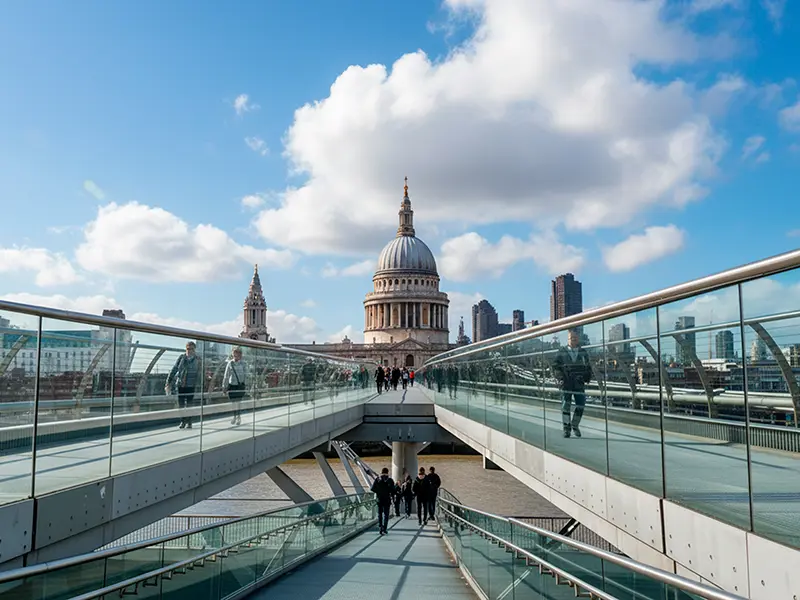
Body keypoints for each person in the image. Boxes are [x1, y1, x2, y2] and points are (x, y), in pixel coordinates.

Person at [552, 329, 593, 438]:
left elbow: (588, 366)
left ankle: (575, 424)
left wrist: (587, 377)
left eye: (575, 338)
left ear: (578, 339)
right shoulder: (561, 351)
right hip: (566, 383)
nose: (573, 340)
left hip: (579, 383)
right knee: (566, 405)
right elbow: (555, 366)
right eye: (571, 338)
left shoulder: (583, 352)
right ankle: (566, 428)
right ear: (568, 339)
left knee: (581, 404)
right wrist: (560, 378)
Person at [166, 341, 202, 429]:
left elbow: (200, 373)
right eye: (188, 349)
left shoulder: (198, 360)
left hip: (191, 385)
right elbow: (174, 369)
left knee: (189, 404)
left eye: (191, 349)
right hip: (181, 384)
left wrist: (200, 384)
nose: (189, 351)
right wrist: (168, 382)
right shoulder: (181, 358)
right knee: (181, 404)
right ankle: (182, 421)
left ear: (194, 350)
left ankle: (189, 421)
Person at [223, 347, 247, 425]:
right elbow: (226, 376)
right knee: (233, 403)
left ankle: (238, 417)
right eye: (234, 354)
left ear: (240, 355)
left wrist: (246, 384)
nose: (236, 356)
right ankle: (234, 416)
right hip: (232, 386)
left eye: (237, 354)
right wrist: (224, 386)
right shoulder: (230, 363)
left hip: (240, 386)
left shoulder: (243, 363)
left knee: (238, 402)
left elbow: (246, 375)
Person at [371, 467, 395, 535]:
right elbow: (393, 490)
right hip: (387, 499)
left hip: (379, 499)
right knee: (386, 514)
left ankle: (380, 527)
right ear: (387, 473)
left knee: (380, 514)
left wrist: (378, 492)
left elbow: (372, 489)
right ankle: (385, 528)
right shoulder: (390, 480)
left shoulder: (377, 479)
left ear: (381, 472)